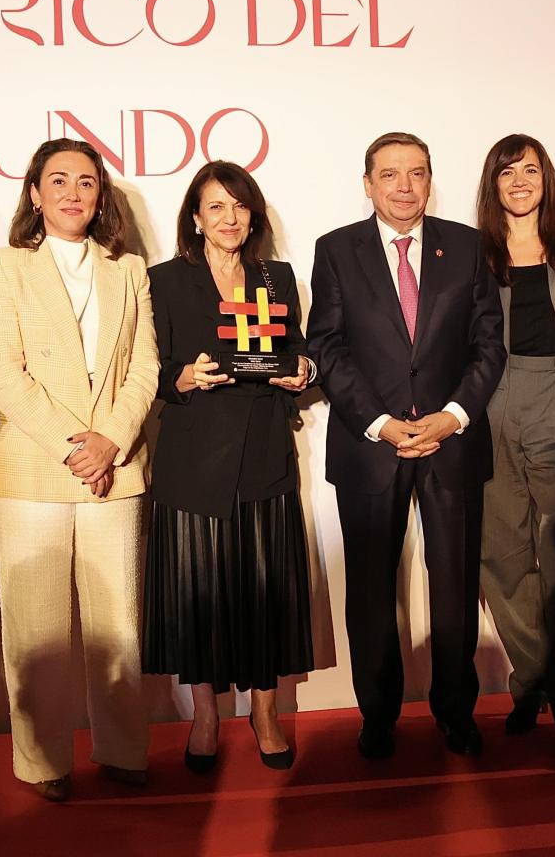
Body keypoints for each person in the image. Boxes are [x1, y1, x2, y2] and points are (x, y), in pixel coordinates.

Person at [306, 131, 505, 760]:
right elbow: (328, 348)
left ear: (429, 179)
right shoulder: (336, 250)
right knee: (369, 594)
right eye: (389, 175)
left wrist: (451, 417)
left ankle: (455, 710)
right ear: (367, 183)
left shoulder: (468, 247)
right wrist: (381, 423)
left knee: (454, 590)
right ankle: (378, 716)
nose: (404, 186)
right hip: (370, 446)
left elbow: (488, 347)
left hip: (451, 444)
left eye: (416, 173)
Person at [0, 138, 159, 801]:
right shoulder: (3, 267)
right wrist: (75, 445)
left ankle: (123, 749)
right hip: (31, 465)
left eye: (86, 181)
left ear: (100, 195)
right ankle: (42, 762)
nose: (73, 193)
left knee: (119, 624)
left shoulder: (129, 267)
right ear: (34, 194)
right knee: (38, 627)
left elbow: (145, 367)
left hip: (116, 464)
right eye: (58, 180)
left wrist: (110, 440)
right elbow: (5, 376)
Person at [141, 161, 316, 772]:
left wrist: (304, 371)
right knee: (199, 594)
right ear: (195, 217)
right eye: (215, 207)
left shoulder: (276, 276)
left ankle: (265, 712)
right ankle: (207, 715)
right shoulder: (165, 280)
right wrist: (182, 378)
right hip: (194, 457)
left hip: (265, 448)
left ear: (254, 213)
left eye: (239, 206)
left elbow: (297, 347)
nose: (229, 218)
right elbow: (148, 369)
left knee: (264, 589)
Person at [472, 135, 555, 770]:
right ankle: (532, 682)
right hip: (488, 400)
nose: (519, 181)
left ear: (546, 179)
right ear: (492, 184)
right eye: (507, 172)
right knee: (500, 557)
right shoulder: (474, 252)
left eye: (530, 170)